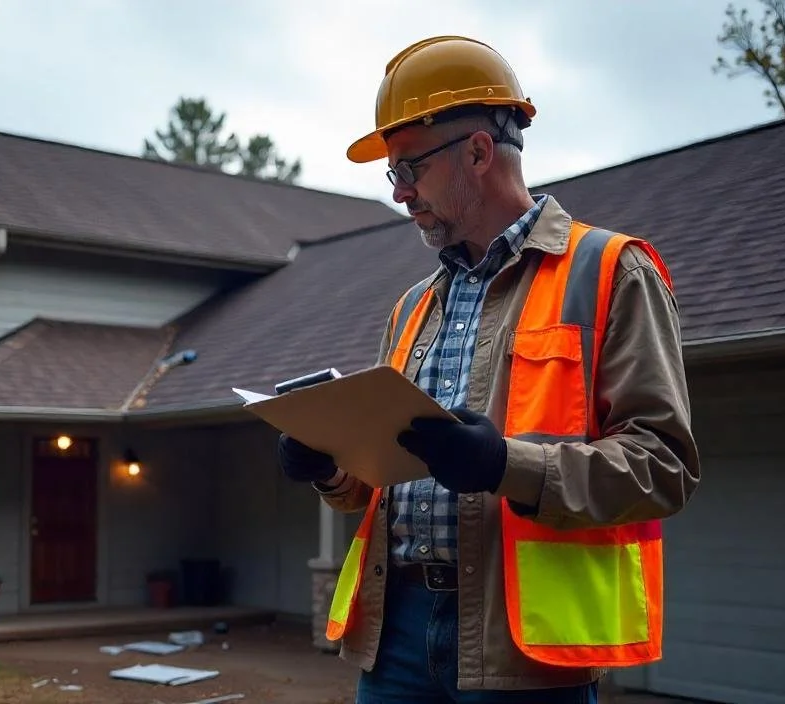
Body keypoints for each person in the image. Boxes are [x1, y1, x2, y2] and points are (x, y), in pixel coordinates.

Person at [276, 35, 702, 703]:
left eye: (408, 168)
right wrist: (330, 468)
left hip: (521, 650)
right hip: (394, 637)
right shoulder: (414, 307)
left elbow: (664, 467)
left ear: (477, 152)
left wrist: (508, 466)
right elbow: (384, 480)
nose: (400, 193)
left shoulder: (610, 273)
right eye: (392, 174)